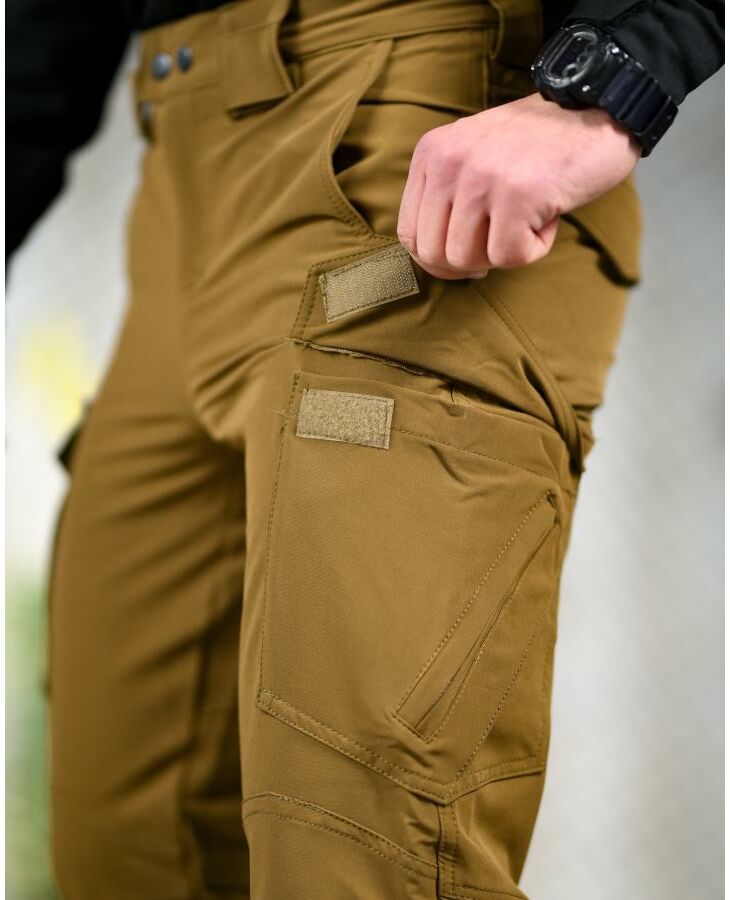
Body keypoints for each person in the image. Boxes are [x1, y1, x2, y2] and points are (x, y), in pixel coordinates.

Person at [6, 1, 723, 897]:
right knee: (125, 851)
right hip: (175, 175)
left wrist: (617, 68)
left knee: (358, 853)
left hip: (411, 154)